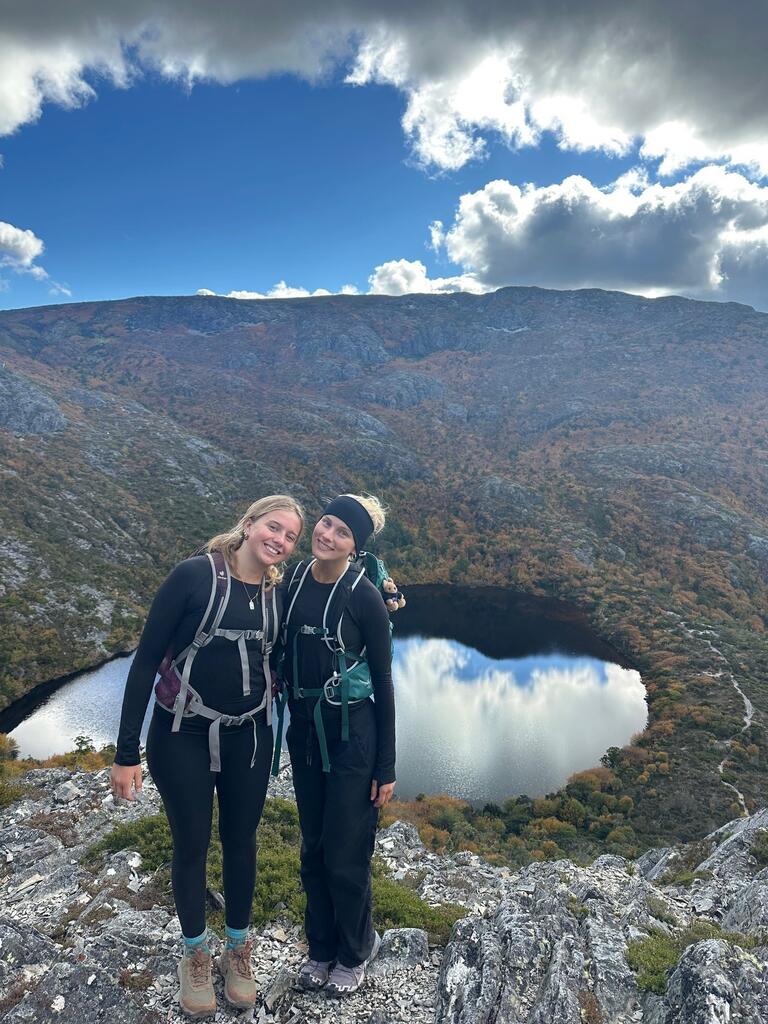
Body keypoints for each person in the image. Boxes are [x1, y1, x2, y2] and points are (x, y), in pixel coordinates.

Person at [110, 495, 304, 1018]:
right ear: (248, 524)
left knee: (241, 842)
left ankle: (236, 949)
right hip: (182, 734)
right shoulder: (194, 576)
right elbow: (146, 660)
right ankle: (195, 954)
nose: (280, 541)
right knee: (191, 843)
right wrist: (125, 753)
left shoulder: (275, 595)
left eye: (290, 537)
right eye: (273, 527)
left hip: (251, 736)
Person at [281, 493, 396, 997]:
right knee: (314, 847)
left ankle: (353, 953)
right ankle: (320, 948)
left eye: (342, 532)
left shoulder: (363, 595)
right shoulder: (294, 579)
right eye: (325, 523)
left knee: (346, 853)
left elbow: (386, 681)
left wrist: (386, 765)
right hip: (306, 732)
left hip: (354, 736)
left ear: (355, 547)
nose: (327, 534)